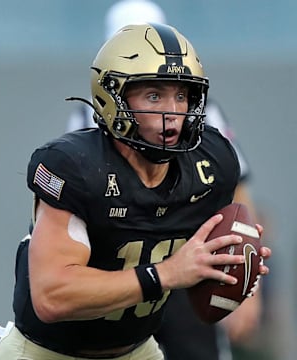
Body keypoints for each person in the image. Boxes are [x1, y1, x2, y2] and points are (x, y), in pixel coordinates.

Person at [0, 23, 271, 360]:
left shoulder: (211, 162)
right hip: (47, 352)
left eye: (181, 96)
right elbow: (52, 296)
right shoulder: (77, 166)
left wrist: (233, 264)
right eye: (154, 96)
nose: (172, 115)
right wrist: (166, 273)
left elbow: (216, 242)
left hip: (138, 351)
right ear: (113, 98)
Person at [66, 2, 264, 359]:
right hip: (118, 267)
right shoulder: (82, 124)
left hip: (187, 260)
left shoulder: (205, 117)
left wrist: (245, 281)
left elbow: (235, 193)